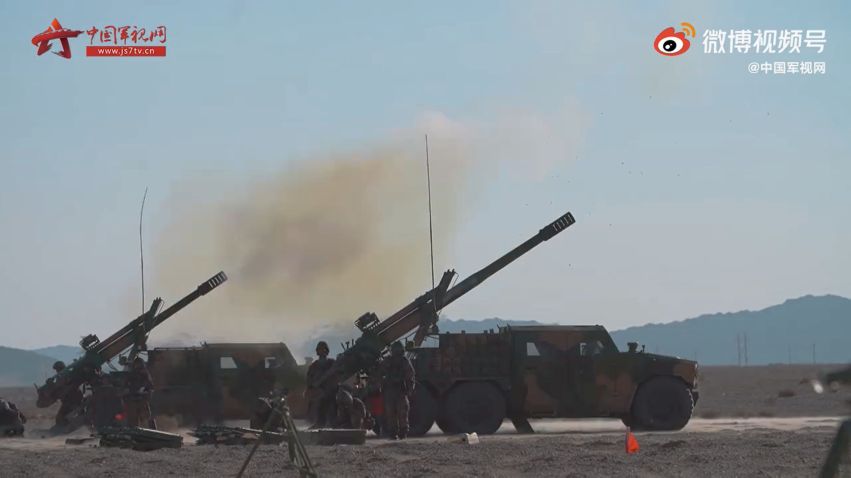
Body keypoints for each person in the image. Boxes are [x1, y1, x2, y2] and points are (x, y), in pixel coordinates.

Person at [381, 341, 415, 439]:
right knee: (393, 413)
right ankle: (396, 433)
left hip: (399, 390)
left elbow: (410, 376)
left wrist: (409, 389)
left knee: (400, 413)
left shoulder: (404, 361)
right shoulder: (391, 361)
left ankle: (400, 432)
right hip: (393, 390)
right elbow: (380, 372)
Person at [305, 341, 336, 428]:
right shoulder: (314, 365)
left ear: (326, 351)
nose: (320, 351)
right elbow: (309, 379)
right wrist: (312, 386)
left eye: (322, 349)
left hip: (330, 392)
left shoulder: (331, 363)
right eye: (319, 349)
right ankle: (319, 424)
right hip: (318, 392)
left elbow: (336, 376)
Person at [123, 357, 155, 429]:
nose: (138, 365)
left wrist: (146, 392)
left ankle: (153, 430)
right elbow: (125, 385)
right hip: (132, 399)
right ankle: (134, 431)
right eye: (137, 364)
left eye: (139, 364)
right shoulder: (131, 374)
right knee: (133, 419)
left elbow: (150, 386)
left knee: (147, 417)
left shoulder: (145, 374)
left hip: (142, 398)